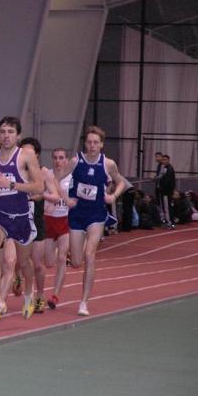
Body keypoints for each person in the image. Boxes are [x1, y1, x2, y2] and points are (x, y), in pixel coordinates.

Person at [0, 117, 43, 324]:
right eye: (2, 132)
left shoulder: (26, 156)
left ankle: (28, 293)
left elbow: (39, 187)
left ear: (18, 135)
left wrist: (12, 184)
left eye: (10, 132)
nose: (6, 136)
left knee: (24, 263)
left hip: (21, 217)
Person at [64, 126, 127, 316]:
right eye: (89, 142)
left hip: (96, 215)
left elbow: (121, 181)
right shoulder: (76, 161)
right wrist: (66, 199)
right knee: (76, 262)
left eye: (95, 142)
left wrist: (114, 195)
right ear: (85, 143)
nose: (92, 145)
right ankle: (79, 250)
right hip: (77, 215)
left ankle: (83, 302)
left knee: (90, 255)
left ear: (101, 144)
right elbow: (54, 178)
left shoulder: (108, 164)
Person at [19, 137, 61, 314]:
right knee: (16, 262)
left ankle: (40, 296)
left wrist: (41, 195)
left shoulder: (44, 173)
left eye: (29, 152)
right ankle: (7, 295)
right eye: (22, 152)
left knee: (36, 264)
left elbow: (56, 196)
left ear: (36, 154)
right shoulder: (17, 171)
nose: (25, 155)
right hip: (19, 221)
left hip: (36, 220)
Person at [43, 148, 71, 310]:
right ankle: (56, 253)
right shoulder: (48, 176)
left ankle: (55, 295)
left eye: (61, 158)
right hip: (49, 221)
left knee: (61, 258)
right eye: (55, 158)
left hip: (66, 221)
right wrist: (48, 204)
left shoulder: (72, 178)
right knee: (49, 262)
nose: (58, 161)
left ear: (66, 160)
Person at [157, 155, 176, 228]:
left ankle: (170, 223)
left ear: (168, 160)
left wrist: (163, 188)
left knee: (167, 207)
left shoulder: (170, 169)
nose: (164, 161)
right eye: (163, 160)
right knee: (165, 207)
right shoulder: (164, 168)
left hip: (166, 192)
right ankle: (168, 222)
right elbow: (161, 177)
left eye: (165, 160)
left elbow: (168, 181)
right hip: (164, 192)